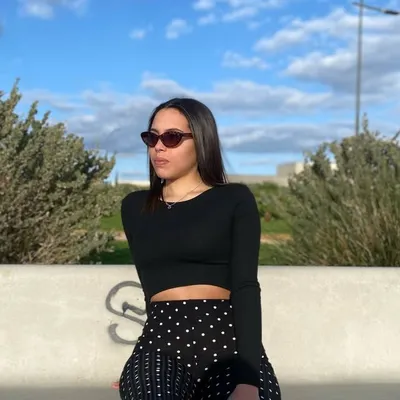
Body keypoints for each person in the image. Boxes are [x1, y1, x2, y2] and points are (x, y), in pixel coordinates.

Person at [118, 98, 281, 400]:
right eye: (152, 137)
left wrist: (249, 379)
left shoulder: (234, 199)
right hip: (161, 345)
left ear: (202, 140)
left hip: (228, 344)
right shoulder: (134, 207)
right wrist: (141, 374)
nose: (159, 147)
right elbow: (151, 286)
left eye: (171, 137)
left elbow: (245, 287)